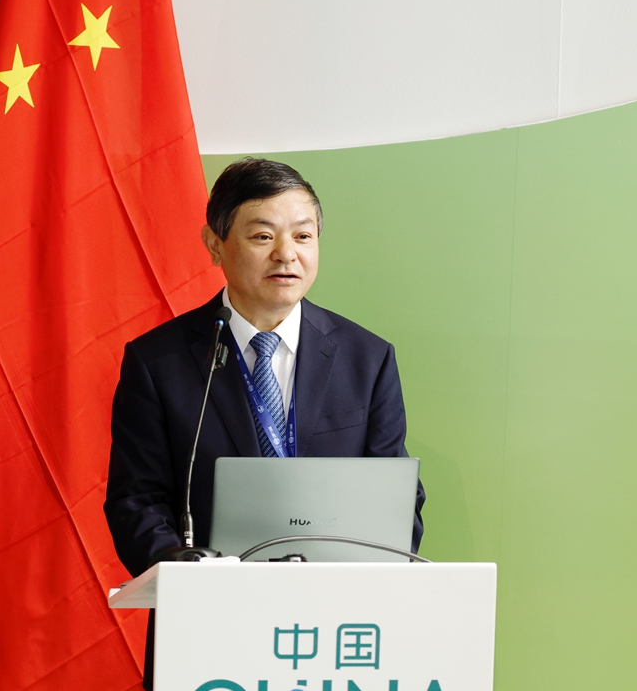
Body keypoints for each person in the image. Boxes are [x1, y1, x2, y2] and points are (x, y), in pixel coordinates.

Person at [104, 158, 426, 578]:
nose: (286, 254)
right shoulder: (158, 361)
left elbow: (396, 497)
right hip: (211, 602)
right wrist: (185, 569)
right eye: (263, 236)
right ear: (215, 244)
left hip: (334, 603)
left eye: (303, 236)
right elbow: (137, 499)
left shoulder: (367, 359)